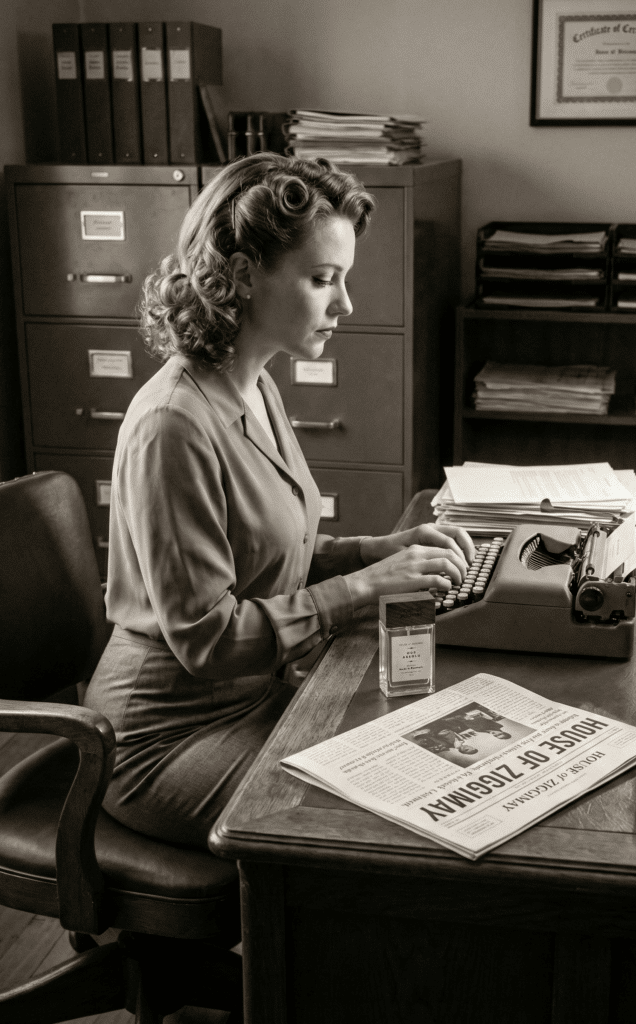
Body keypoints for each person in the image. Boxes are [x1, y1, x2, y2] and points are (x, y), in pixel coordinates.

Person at [84, 154, 474, 848]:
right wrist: (362, 589)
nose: (345, 303)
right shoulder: (171, 424)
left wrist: (373, 553)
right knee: (359, 829)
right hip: (162, 740)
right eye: (323, 279)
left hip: (255, 697)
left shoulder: (256, 385)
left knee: (426, 753)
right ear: (240, 277)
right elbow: (209, 638)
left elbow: (264, 553)